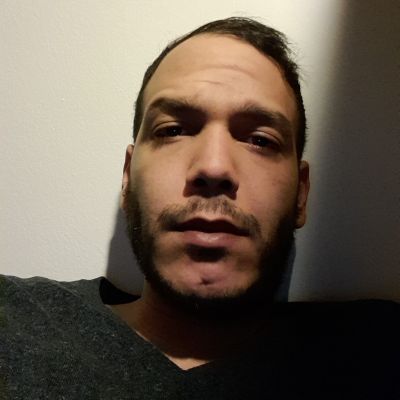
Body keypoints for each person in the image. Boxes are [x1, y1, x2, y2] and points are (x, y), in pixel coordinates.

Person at [1, 17, 399, 400]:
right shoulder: (13, 321)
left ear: (301, 194)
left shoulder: (379, 351)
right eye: (173, 130)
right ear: (127, 177)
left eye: (260, 140)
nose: (214, 167)